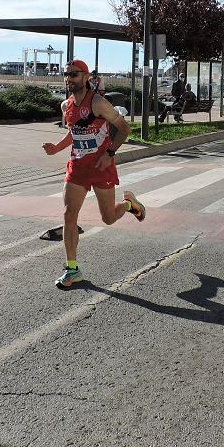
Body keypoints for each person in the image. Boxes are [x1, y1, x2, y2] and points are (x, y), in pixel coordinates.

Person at [43, 59, 146, 289]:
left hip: (101, 166)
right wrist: (56, 149)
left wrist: (109, 153)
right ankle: (72, 270)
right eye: (67, 75)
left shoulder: (99, 103)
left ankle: (130, 205)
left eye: (74, 75)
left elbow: (125, 129)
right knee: (69, 215)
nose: (69, 79)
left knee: (108, 218)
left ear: (86, 77)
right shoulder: (65, 106)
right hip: (77, 167)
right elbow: (74, 133)